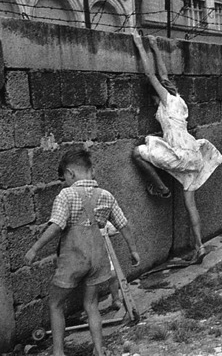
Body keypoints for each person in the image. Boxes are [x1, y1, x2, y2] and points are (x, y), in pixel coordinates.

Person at [24, 149, 140, 356]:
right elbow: (124, 225)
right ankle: (98, 349)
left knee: (56, 304)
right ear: (91, 171)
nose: (65, 183)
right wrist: (133, 250)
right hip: (98, 258)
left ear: (70, 173)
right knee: (92, 304)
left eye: (65, 179)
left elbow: (57, 225)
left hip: (74, 258)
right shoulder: (106, 195)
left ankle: (58, 352)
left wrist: (35, 248)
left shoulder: (66, 195)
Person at [132, 32, 222, 264]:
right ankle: (199, 246)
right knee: (189, 203)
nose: (154, 103)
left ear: (158, 95)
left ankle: (161, 188)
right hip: (193, 155)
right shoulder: (179, 100)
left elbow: (151, 74)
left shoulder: (165, 100)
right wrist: (154, 45)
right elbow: (163, 74)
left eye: (153, 99)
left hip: (179, 155)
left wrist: (138, 45)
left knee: (139, 152)